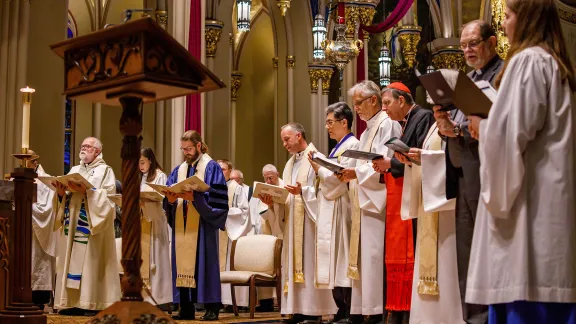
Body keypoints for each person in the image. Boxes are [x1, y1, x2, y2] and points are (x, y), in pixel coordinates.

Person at [465, 0, 576, 322]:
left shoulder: (528, 61)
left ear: (526, 20)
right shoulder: (556, 63)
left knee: (527, 295)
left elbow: (510, 135)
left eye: (509, 17)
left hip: (531, 206)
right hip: (551, 205)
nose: (503, 25)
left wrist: (482, 127)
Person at [432, 19, 503, 324]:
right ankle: (472, 317)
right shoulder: (467, 80)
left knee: (488, 249)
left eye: (473, 43)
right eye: (463, 45)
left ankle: (491, 317)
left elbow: (500, 124)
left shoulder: (502, 75)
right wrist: (446, 125)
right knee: (467, 252)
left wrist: (462, 129)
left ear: (492, 42)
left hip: (488, 174)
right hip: (463, 172)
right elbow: (461, 127)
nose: (467, 50)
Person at [401, 70, 464, 324]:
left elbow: (458, 158)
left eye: (433, 89)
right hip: (433, 203)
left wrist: (422, 158)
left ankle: (448, 317)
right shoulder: (436, 123)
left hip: (448, 204)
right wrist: (411, 159)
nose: (428, 94)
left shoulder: (456, 118)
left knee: (448, 263)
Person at [337, 81, 401, 324]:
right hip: (364, 200)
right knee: (365, 259)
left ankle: (377, 310)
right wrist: (345, 172)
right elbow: (363, 163)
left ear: (373, 100)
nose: (357, 110)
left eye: (359, 104)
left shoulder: (389, 124)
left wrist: (357, 173)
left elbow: (388, 162)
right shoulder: (365, 131)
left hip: (379, 202)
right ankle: (366, 308)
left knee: (375, 257)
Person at [260, 123, 337, 323]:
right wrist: (272, 201)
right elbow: (287, 195)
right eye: (283, 140)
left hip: (310, 223)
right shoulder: (289, 163)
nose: (284, 144)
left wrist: (303, 192)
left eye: (287, 139)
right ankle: (295, 309)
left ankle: (313, 310)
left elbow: (327, 191)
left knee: (309, 264)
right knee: (293, 264)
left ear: (299, 135)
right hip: (293, 223)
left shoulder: (316, 157)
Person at [372, 82, 435, 322]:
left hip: (420, 195)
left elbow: (421, 156)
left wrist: (393, 164)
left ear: (401, 100)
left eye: (387, 103)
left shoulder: (423, 116)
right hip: (406, 191)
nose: (384, 109)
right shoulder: (406, 122)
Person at [164, 130, 228, 321]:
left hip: (203, 225)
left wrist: (196, 198)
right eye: (183, 149)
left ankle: (211, 307)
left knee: (206, 265)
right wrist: (170, 199)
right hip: (182, 224)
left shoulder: (212, 167)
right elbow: (170, 191)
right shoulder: (179, 170)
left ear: (199, 146)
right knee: (182, 264)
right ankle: (186, 307)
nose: (186, 153)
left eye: (189, 148)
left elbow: (218, 200)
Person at [52, 137, 120, 315]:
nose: (83, 149)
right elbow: (66, 195)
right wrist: (61, 193)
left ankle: (91, 302)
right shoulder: (74, 169)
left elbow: (109, 198)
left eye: (87, 147)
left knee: (91, 262)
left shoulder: (105, 171)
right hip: (73, 221)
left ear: (97, 151)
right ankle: (71, 303)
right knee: (70, 258)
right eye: (82, 146)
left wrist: (88, 192)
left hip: (91, 224)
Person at [307, 102, 359, 324]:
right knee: (335, 258)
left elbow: (341, 181)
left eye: (330, 122)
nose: (327, 127)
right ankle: (340, 307)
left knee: (343, 257)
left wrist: (319, 168)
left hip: (343, 208)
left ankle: (348, 307)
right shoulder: (337, 147)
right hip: (332, 208)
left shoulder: (353, 145)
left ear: (344, 122)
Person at [247, 164, 284, 312]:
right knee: (265, 265)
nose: (268, 181)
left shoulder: (283, 186)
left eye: (271, 177)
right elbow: (258, 214)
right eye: (266, 178)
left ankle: (282, 302)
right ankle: (265, 302)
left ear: (277, 174)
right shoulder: (262, 188)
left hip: (281, 232)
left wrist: (271, 206)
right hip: (265, 233)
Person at [139, 147, 172, 308]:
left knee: (157, 259)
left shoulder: (160, 176)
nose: (140, 166)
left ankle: (159, 298)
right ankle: (144, 298)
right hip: (142, 222)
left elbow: (162, 197)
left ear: (150, 160)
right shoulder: (140, 178)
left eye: (142, 162)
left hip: (156, 222)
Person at [217, 159, 251, 312]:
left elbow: (243, 211)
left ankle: (234, 302)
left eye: (223, 169)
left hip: (231, 233)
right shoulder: (213, 188)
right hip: (217, 234)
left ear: (230, 171)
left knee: (231, 266)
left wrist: (225, 214)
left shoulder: (236, 188)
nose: (220, 171)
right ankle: (219, 301)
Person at [27, 151, 57, 311]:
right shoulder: (20, 181)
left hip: (38, 235)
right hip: (23, 231)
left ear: (35, 161)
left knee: (38, 264)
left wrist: (26, 207)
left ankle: (39, 300)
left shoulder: (46, 181)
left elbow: (46, 209)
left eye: (26, 161)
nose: (23, 165)